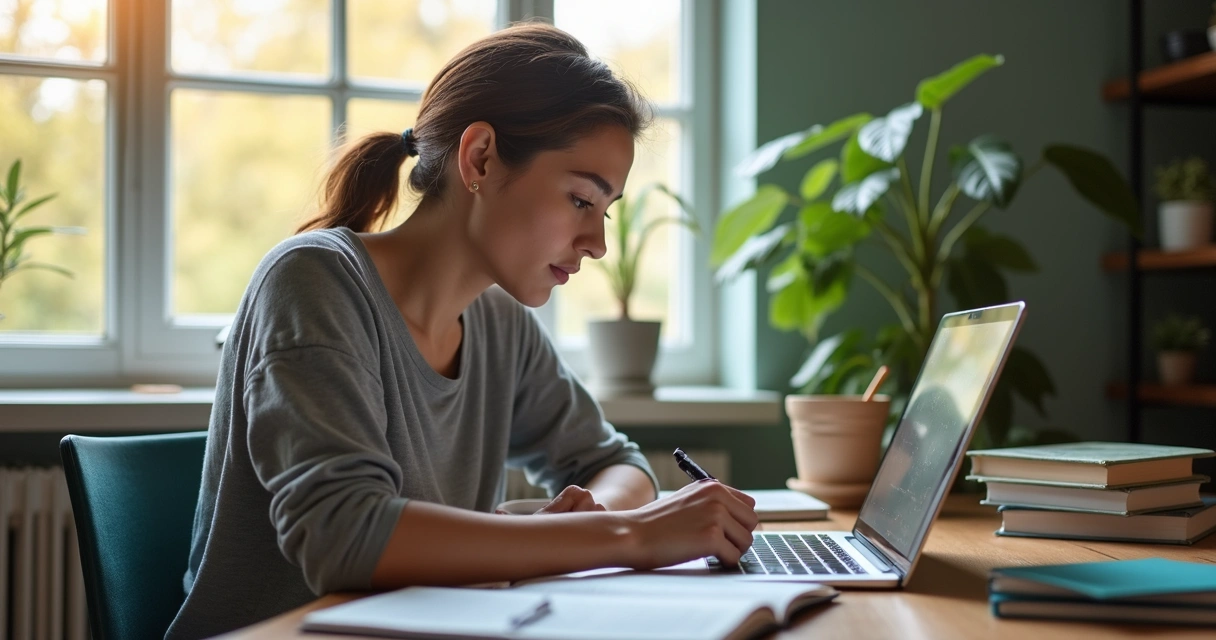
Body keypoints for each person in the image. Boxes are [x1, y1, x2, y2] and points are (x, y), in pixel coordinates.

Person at [165, 22, 758, 639]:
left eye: (605, 212)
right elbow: (345, 537)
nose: (599, 244)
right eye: (582, 200)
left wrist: (591, 516)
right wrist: (627, 535)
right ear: (479, 158)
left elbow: (613, 460)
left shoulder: (498, 322)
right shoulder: (314, 281)